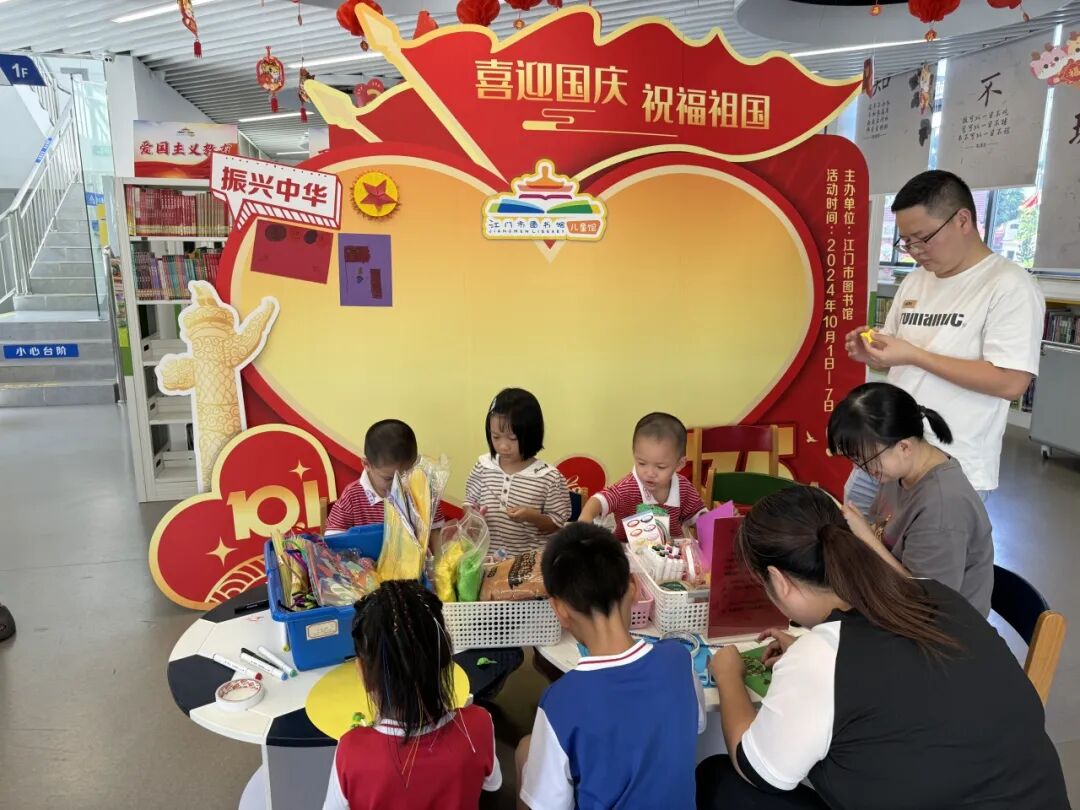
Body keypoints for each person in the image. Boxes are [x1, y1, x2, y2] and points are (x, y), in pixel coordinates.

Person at [697, 486, 1068, 810]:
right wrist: (811, 658)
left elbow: (757, 769)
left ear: (778, 581)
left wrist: (729, 675)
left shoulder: (822, 658)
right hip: (1036, 796)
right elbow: (904, 678)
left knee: (721, 781)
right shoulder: (932, 592)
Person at [845, 170, 1044, 511]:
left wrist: (915, 355)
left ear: (962, 220)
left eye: (923, 238)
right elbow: (898, 358)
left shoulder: (1009, 285)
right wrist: (873, 353)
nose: (914, 251)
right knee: (852, 530)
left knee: (920, 546)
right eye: (905, 242)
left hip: (950, 464)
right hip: (884, 447)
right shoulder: (915, 281)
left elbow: (1012, 382)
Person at [518, 523, 706, 810]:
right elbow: (696, 725)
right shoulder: (679, 660)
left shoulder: (560, 702)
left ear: (559, 610)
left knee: (525, 752)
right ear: (632, 587)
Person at [323, 580, 501, 810]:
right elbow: (492, 784)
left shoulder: (350, 753)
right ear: (446, 655)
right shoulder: (479, 725)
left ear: (363, 673)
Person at [827, 382, 994, 616]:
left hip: (939, 629)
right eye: (855, 459)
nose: (862, 469)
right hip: (897, 604)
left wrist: (865, 536)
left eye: (867, 460)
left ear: (904, 447)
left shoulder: (942, 506)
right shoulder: (901, 472)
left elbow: (927, 603)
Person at [465, 388, 572, 555]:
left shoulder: (548, 477)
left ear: (531, 434)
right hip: (487, 561)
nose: (503, 446)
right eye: (496, 436)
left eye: (512, 438)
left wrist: (531, 516)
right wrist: (474, 517)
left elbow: (556, 525)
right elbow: (468, 504)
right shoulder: (483, 466)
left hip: (529, 563)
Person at [578, 412, 707, 540]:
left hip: (672, 550)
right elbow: (600, 500)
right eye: (642, 463)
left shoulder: (683, 488)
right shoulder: (628, 487)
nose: (649, 473)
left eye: (660, 467)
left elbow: (701, 517)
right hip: (628, 549)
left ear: (679, 464)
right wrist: (585, 518)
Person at [325, 419, 444, 534]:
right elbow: (334, 537)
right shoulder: (352, 497)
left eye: (406, 475)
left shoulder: (422, 492)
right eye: (389, 478)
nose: (398, 484)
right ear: (367, 465)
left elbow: (436, 533)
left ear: (415, 463)